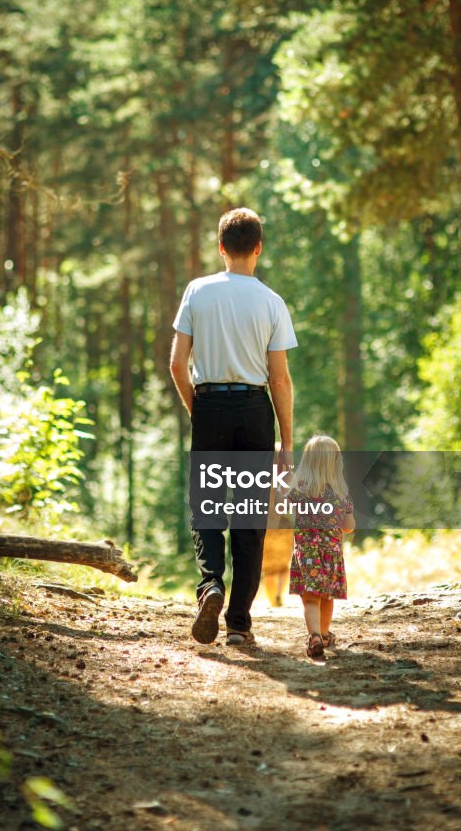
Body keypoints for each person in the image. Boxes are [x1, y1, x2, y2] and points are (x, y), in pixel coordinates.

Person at [169, 207, 297, 646]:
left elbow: (176, 364)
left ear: (221, 247)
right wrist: (287, 441)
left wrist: (197, 409)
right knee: (248, 517)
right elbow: (279, 378)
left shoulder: (197, 292)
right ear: (258, 248)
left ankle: (211, 586)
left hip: (209, 406)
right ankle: (239, 623)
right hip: (255, 412)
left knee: (206, 506)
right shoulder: (271, 301)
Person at [285, 434, 355, 659]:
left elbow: (282, 510)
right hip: (331, 555)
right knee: (327, 596)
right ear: (336, 463)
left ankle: (314, 635)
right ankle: (324, 634)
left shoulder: (299, 491)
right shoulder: (341, 495)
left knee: (310, 598)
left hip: (306, 554)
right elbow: (348, 528)